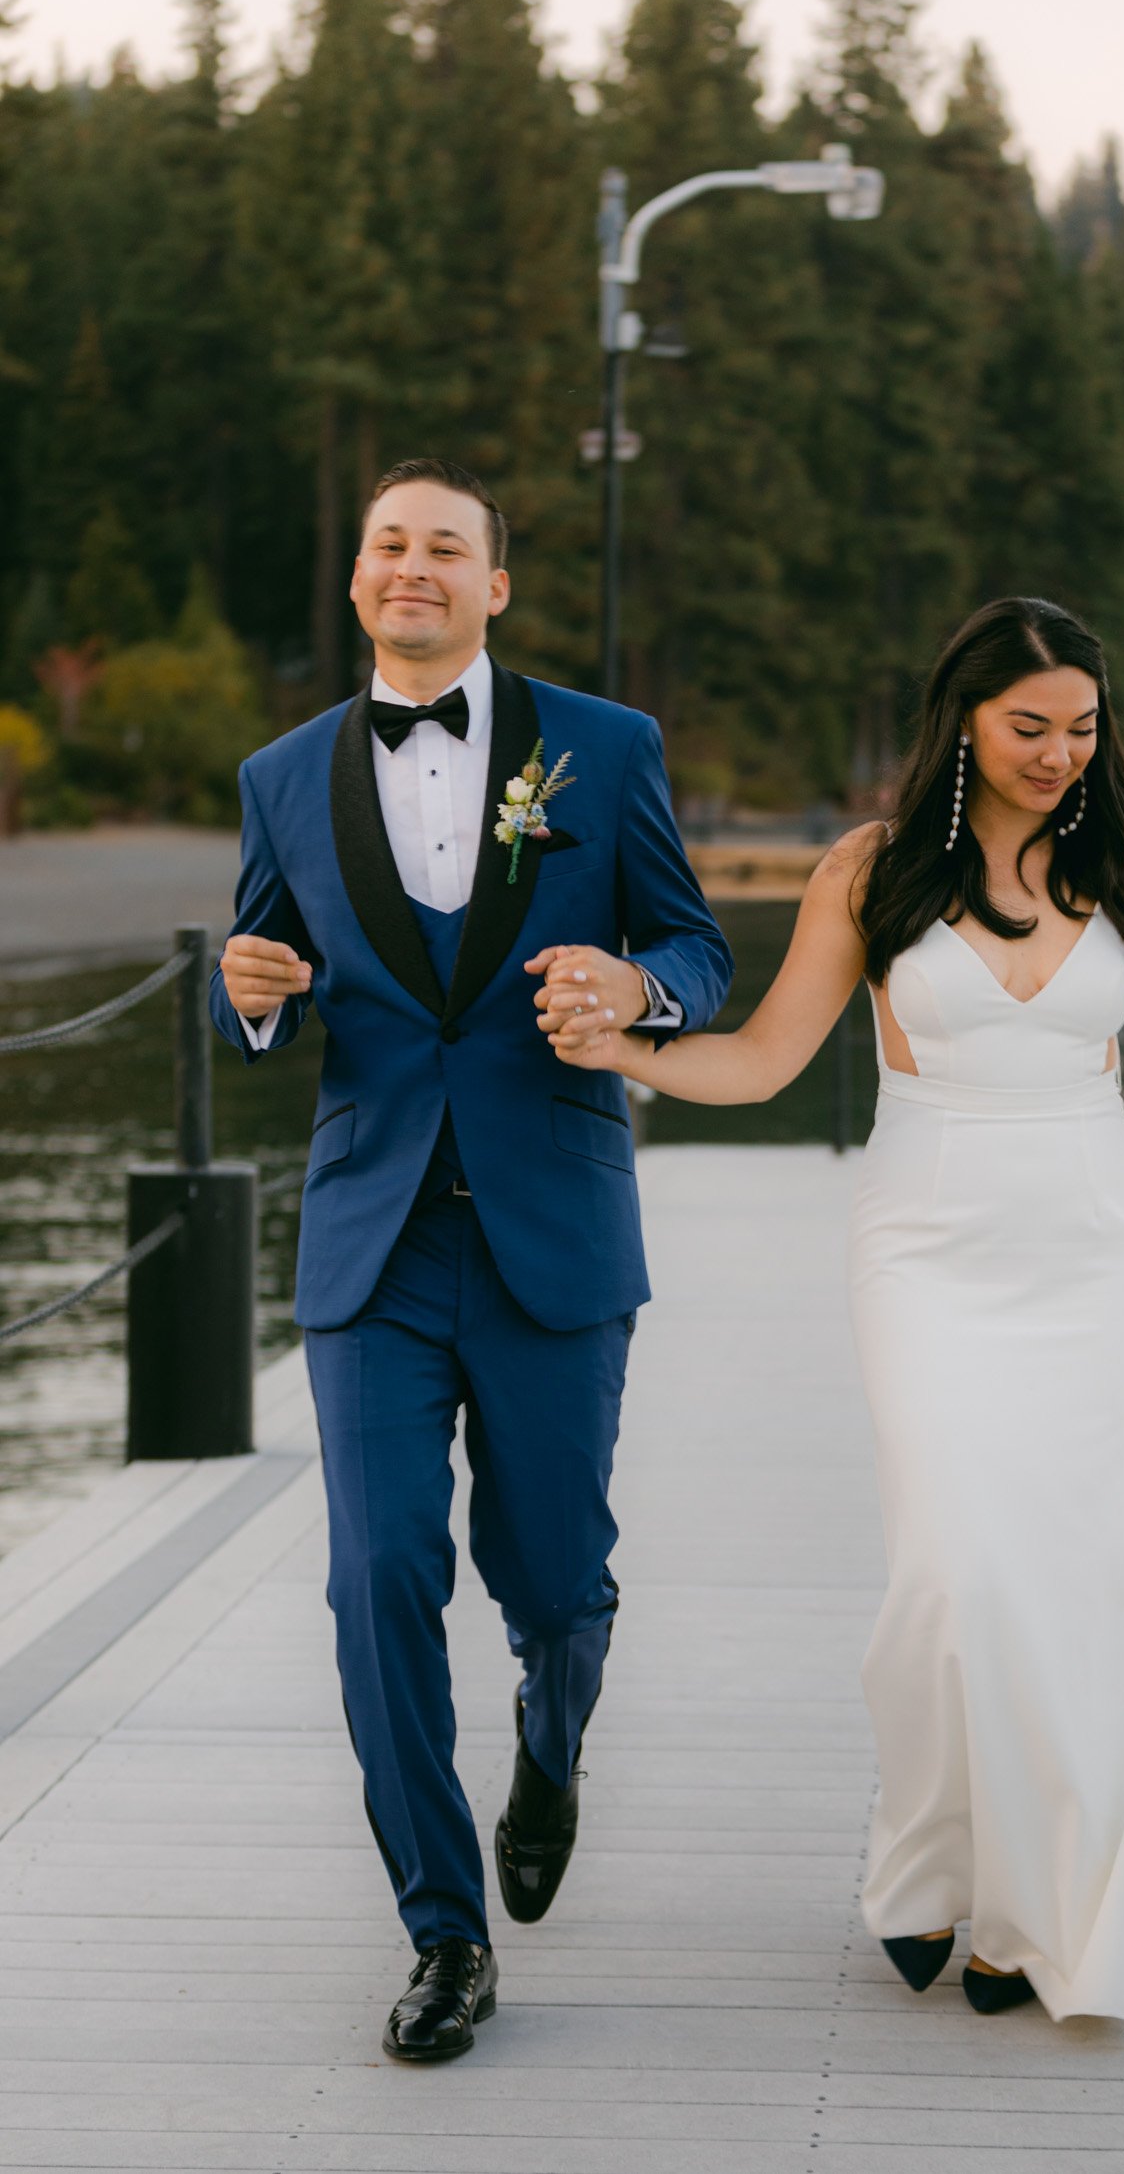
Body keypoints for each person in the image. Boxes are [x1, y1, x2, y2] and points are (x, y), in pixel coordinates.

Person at [544, 595, 1124, 2022]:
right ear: (968, 722)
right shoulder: (869, 874)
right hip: (925, 1247)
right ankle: (923, 1858)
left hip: (1088, 1251)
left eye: (1083, 728)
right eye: (1029, 725)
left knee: (1066, 1577)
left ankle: (1020, 1903)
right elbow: (761, 1060)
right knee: (952, 1576)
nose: (1059, 753)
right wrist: (627, 1047)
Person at [209, 457, 732, 2061]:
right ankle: (445, 1932)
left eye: (449, 547)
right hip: (370, 1241)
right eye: (390, 545)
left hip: (552, 1228)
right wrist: (247, 990)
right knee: (375, 1581)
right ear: (357, 580)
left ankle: (553, 1726)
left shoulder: (607, 745)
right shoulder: (280, 774)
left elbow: (698, 950)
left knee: (556, 1572)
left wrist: (635, 992)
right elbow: (267, 987)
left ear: (495, 585)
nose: (414, 568)